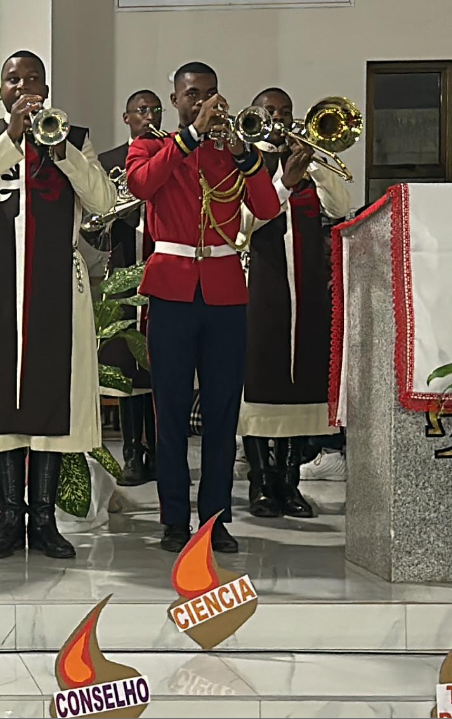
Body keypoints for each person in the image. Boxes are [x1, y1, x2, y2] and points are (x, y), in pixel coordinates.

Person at [0, 51, 116, 560]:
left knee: (48, 398)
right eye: (12, 79)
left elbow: (104, 201)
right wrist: (11, 141)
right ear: (0, 89)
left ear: (46, 86)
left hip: (55, 290)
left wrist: (61, 151)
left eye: (32, 79)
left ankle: (43, 519)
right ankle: (9, 519)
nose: (22, 86)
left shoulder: (72, 137)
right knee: (1, 401)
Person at [125, 62, 280, 555]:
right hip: (171, 289)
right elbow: (142, 185)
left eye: (211, 94)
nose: (205, 102)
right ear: (176, 101)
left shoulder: (233, 151)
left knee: (221, 413)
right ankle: (173, 519)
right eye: (193, 95)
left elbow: (269, 209)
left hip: (224, 290)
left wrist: (245, 156)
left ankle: (215, 518)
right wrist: (190, 137)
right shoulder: (153, 145)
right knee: (168, 411)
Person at [238, 89, 355, 520]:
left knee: (298, 388)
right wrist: (283, 182)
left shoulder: (307, 161)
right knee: (259, 385)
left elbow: (339, 209)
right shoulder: (244, 160)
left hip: (305, 287)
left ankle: (289, 483)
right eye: (271, 111)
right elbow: (243, 225)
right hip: (259, 285)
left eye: (286, 112)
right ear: (255, 115)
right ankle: (261, 483)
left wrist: (315, 164)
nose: (279, 119)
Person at [90, 90, 164, 488]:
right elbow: (97, 222)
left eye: (154, 110)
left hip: (164, 269)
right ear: (126, 117)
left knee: (161, 366)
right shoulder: (109, 162)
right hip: (123, 267)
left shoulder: (171, 152)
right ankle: (133, 453)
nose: (148, 116)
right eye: (141, 110)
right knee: (126, 369)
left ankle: (161, 452)